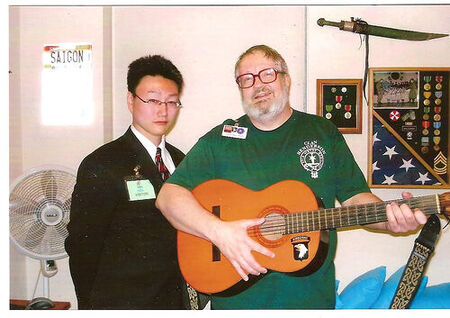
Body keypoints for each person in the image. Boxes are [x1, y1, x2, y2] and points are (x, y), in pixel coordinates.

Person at [155, 45, 428, 309]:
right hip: (237, 304)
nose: (258, 85)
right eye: (246, 79)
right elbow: (168, 197)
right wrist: (221, 233)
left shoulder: (322, 132)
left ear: (286, 80)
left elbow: (356, 198)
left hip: (310, 301)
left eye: (268, 74)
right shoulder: (221, 139)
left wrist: (390, 221)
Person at [65, 54, 198, 309]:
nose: (163, 110)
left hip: (174, 301)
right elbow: (82, 246)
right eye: (153, 100)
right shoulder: (102, 163)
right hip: (123, 303)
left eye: (171, 102)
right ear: (130, 100)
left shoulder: (183, 161)